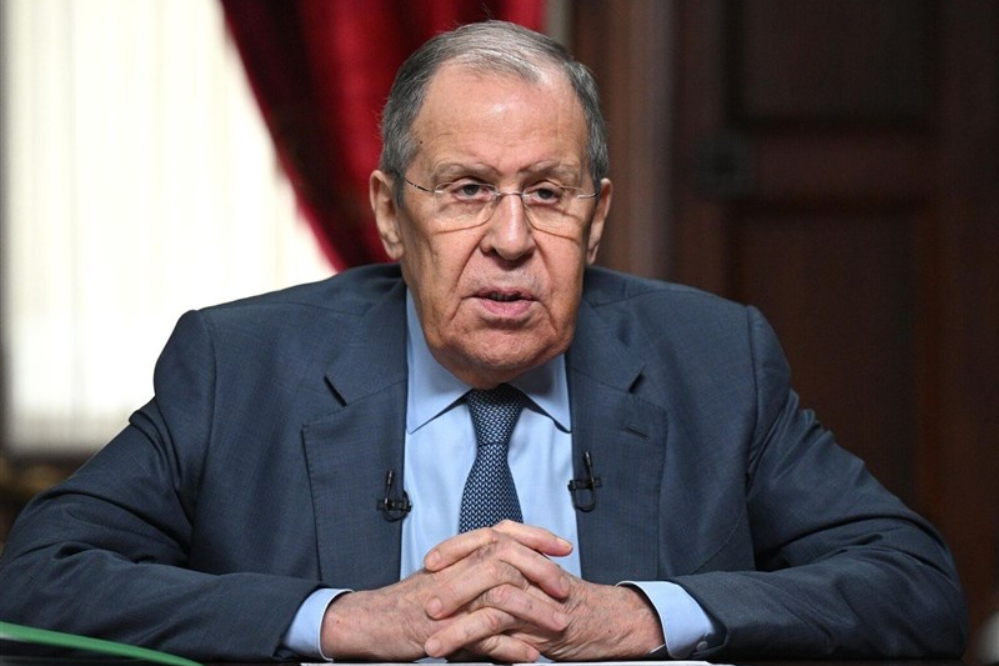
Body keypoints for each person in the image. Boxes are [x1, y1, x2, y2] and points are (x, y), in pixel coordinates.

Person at [0, 20, 967, 663]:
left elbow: (913, 585)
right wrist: (338, 620)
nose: (510, 239)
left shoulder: (712, 360)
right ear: (390, 214)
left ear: (595, 219)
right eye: (466, 190)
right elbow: (38, 575)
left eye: (547, 192)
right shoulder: (240, 364)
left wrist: (643, 615)